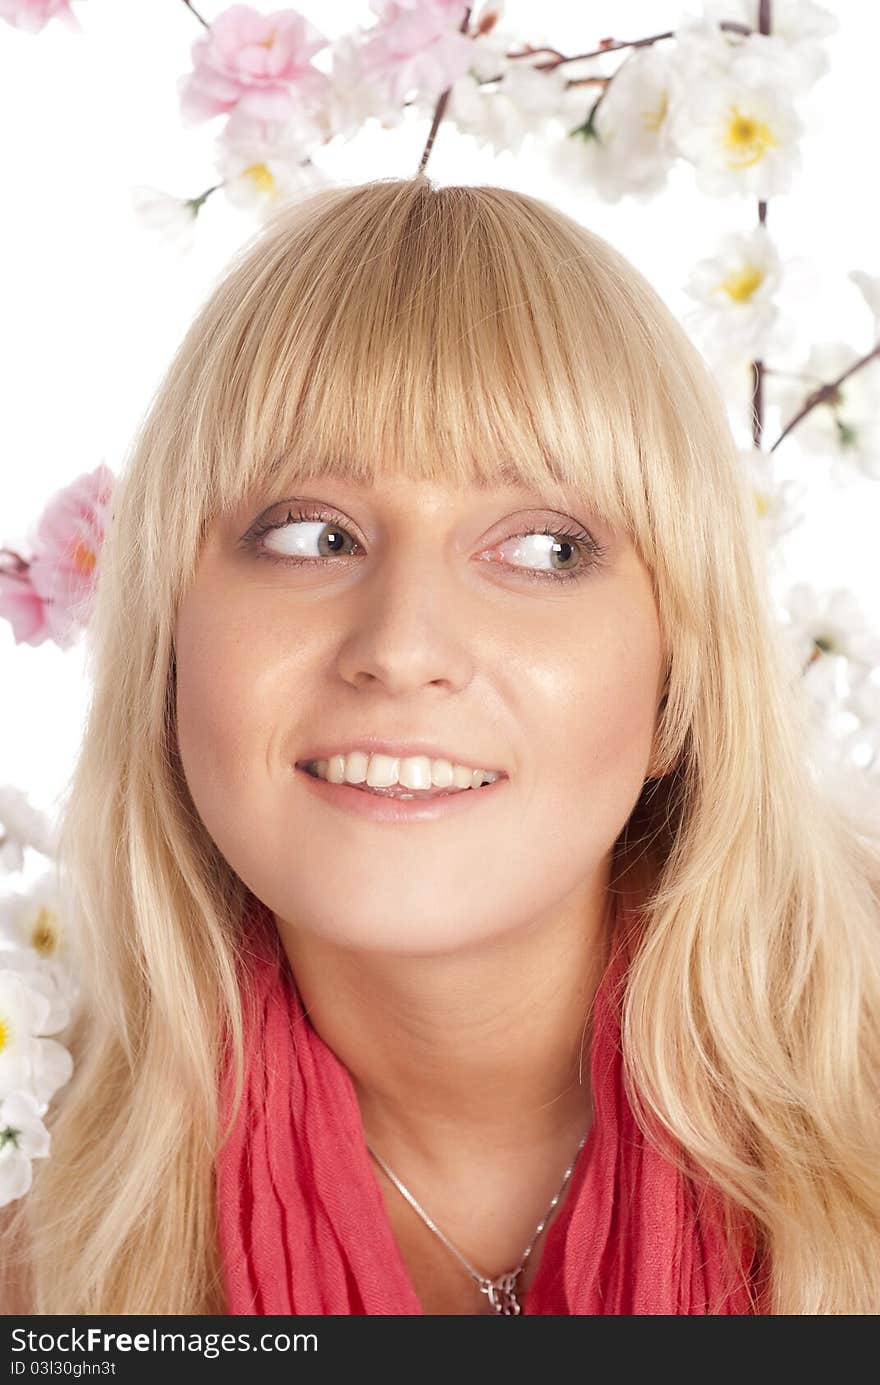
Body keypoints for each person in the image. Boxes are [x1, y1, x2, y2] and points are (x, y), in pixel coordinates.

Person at [3, 175, 879, 1315]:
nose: (403, 645)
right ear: (167, 647)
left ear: (679, 687)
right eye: (311, 533)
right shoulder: (34, 1223)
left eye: (545, 549)